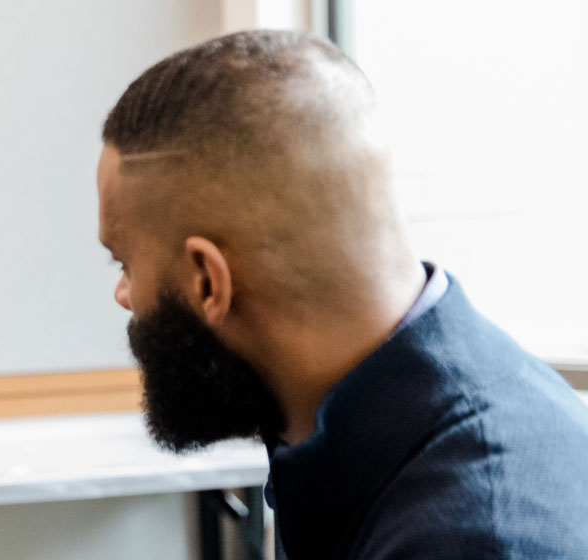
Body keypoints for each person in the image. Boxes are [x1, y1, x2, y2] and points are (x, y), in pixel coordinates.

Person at [97, 29, 588, 558]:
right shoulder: (342, 428)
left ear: (207, 282)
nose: (123, 295)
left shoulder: (476, 536)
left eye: (125, 263)